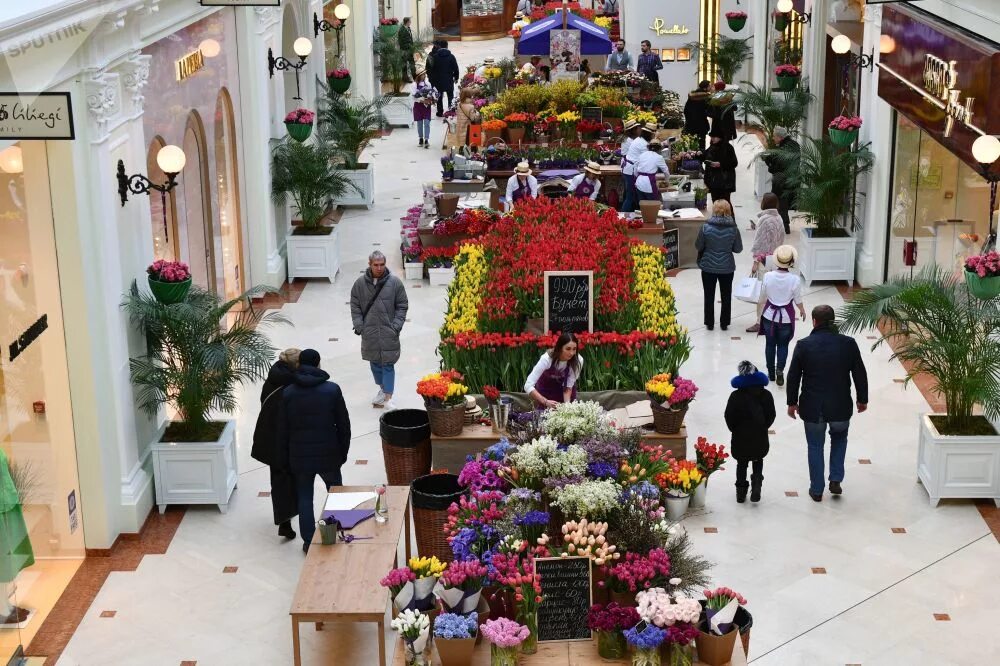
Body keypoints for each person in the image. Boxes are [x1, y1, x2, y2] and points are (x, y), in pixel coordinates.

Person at [786, 305, 869, 502]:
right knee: (839, 439)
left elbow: (793, 376)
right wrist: (862, 399)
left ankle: (816, 490)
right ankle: (836, 479)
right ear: (833, 321)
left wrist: (792, 402)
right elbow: (859, 372)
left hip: (813, 408)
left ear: (814, 321)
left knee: (815, 446)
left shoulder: (804, 345)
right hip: (840, 405)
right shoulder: (848, 344)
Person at [277, 349, 351, 553]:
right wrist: (342, 452)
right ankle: (337, 532)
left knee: (304, 497)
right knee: (336, 493)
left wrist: (286, 457)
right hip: (329, 453)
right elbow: (344, 425)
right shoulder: (332, 390)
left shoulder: (289, 393)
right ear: (319, 364)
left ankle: (309, 541)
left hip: (299, 456)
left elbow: (283, 430)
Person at [251, 348, 301, 541]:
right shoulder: (290, 385)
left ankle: (284, 520)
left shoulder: (274, 377)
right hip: (284, 439)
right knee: (291, 479)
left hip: (270, 438)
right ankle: (287, 519)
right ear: (296, 365)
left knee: (278, 480)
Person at [350, 250, 409, 410]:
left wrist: (396, 326)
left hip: (389, 332)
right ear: (369, 264)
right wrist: (359, 325)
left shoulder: (395, 283)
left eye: (382, 264)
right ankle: (383, 389)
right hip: (369, 333)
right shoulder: (360, 284)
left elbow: (402, 305)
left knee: (388, 364)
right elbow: (355, 305)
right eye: (376, 265)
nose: (379, 268)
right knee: (375, 363)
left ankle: (389, 397)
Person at [724, 361, 775, 503]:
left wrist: (734, 429)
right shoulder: (766, 395)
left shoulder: (735, 396)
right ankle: (757, 485)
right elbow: (771, 414)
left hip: (740, 436)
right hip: (759, 436)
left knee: (742, 463)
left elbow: (728, 416)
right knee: (758, 460)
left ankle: (740, 493)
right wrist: (764, 427)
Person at [759, 245, 806, 385]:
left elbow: (762, 297)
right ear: (791, 262)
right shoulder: (794, 279)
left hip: (769, 316)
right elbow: (798, 299)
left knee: (770, 345)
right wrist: (802, 310)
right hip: (786, 318)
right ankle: (780, 370)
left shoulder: (768, 276)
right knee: (783, 345)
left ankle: (771, 373)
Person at [695, 199, 742, 331]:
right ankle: (724, 323)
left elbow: (698, 245)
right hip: (727, 267)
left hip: (708, 266)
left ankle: (709, 323)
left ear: (714, 210)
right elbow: (738, 249)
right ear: (729, 211)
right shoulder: (734, 229)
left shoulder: (705, 227)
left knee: (708, 295)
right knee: (726, 295)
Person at [746, 193, 787, 333]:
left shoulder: (764, 219)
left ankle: (760, 322)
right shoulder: (779, 218)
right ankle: (774, 320)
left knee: (762, 293)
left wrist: (755, 261)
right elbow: (781, 239)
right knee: (774, 292)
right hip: (776, 259)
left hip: (764, 260)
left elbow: (760, 242)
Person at [524, 332, 584, 408]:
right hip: (546, 394)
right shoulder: (547, 359)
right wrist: (545, 401)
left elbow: (568, 386)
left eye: (574, 349)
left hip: (566, 395)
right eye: (568, 349)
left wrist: (567, 408)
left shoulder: (578, 360)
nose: (571, 353)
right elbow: (528, 385)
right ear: (559, 348)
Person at [767, 127, 801, 234]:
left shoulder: (781, 149)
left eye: (774, 136)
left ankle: (783, 227)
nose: (773, 138)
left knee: (780, 203)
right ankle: (784, 225)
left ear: (780, 137)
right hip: (792, 178)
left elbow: (776, 166)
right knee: (784, 203)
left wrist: (770, 165)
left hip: (781, 180)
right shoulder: (795, 145)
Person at [621, 122, 653, 213]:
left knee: (630, 195)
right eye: (638, 128)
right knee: (630, 197)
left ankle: (629, 214)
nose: (640, 130)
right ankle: (623, 217)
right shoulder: (635, 142)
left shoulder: (636, 140)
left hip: (629, 168)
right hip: (630, 170)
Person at [702, 129, 738, 204]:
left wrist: (720, 164)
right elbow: (705, 156)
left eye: (715, 137)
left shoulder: (728, 148)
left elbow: (734, 163)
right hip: (713, 182)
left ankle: (728, 216)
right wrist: (697, 154)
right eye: (712, 137)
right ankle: (717, 216)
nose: (712, 139)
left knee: (725, 203)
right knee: (715, 203)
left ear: (720, 137)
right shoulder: (712, 147)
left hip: (724, 183)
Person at [427, 39, 459, 117]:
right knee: (450, 96)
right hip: (449, 80)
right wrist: (456, 77)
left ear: (439, 46)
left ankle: (440, 112)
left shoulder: (434, 57)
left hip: (438, 81)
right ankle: (451, 110)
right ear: (447, 46)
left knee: (439, 97)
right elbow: (455, 68)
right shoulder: (451, 57)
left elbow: (430, 69)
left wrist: (431, 79)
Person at [683, 80, 712, 151]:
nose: (710, 87)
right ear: (705, 88)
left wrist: (688, 120)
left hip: (690, 124)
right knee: (701, 142)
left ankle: (692, 158)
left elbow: (686, 110)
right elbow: (708, 110)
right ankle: (700, 158)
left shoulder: (692, 95)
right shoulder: (706, 96)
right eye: (709, 86)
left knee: (692, 142)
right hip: (701, 124)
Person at [412, 70, 437, 148]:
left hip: (426, 107)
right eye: (423, 74)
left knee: (427, 123)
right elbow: (414, 97)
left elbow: (431, 94)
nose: (425, 75)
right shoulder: (414, 85)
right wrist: (423, 101)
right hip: (418, 106)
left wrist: (432, 100)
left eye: (425, 74)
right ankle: (421, 138)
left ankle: (426, 140)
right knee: (419, 123)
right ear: (419, 75)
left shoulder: (428, 84)